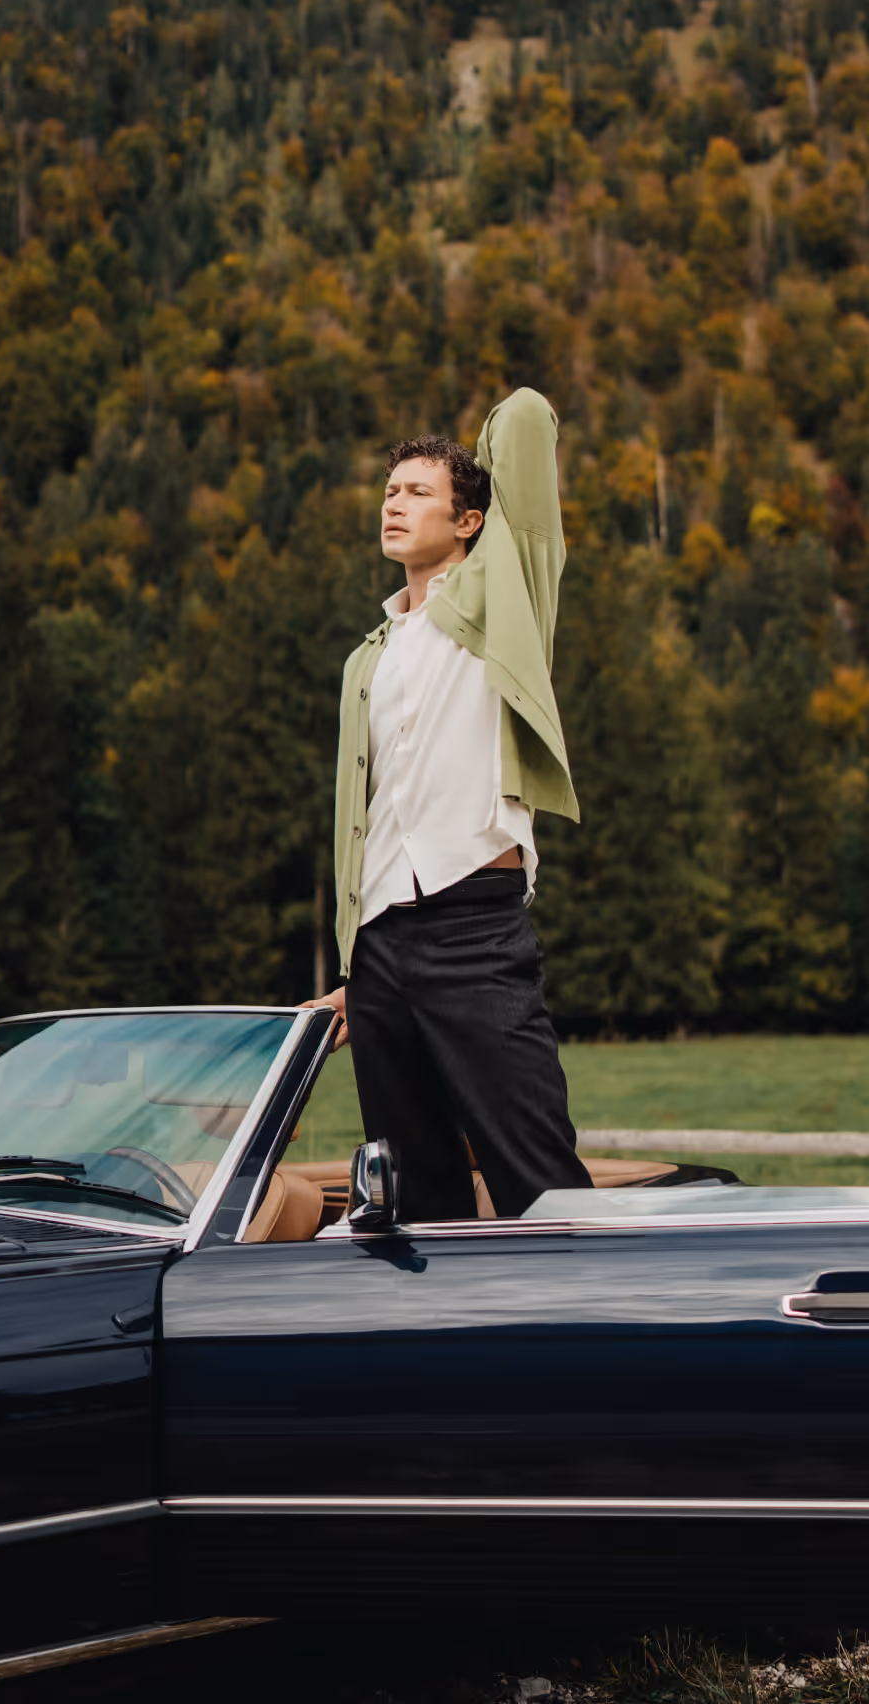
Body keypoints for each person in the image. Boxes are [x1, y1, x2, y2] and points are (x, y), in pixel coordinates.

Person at [303, 387, 592, 1222]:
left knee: (535, 1174)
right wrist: (357, 966)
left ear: (469, 521)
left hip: (475, 925)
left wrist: (465, 463)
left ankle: (587, 1337)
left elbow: (531, 417)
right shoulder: (372, 653)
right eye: (389, 492)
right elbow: (370, 822)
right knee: (409, 1189)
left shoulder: (507, 592)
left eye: (418, 492)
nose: (394, 504)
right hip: (383, 946)